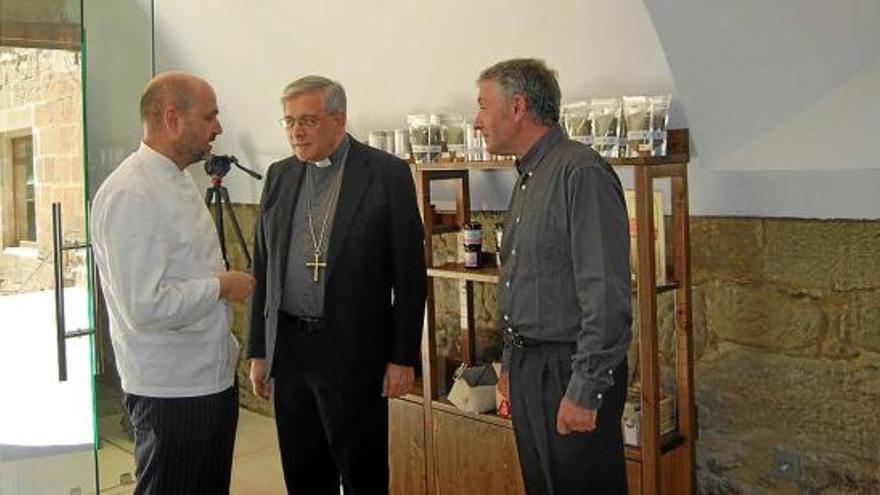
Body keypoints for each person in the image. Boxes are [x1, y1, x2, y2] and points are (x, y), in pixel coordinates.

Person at [246, 75, 426, 494]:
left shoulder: (386, 174)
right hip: (290, 349)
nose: (296, 131)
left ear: (339, 119)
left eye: (307, 120)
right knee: (303, 471)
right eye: (288, 121)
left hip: (354, 351)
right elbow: (264, 269)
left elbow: (410, 276)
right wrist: (259, 350)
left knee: (361, 471)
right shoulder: (278, 175)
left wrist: (402, 358)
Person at [90, 71, 255, 494]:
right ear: (172, 118)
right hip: (171, 391)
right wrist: (221, 287)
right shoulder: (131, 192)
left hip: (209, 379)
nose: (218, 128)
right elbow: (144, 306)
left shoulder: (178, 179)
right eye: (210, 116)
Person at [476, 59, 633, 494]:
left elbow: (605, 293)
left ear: (519, 106)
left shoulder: (580, 173)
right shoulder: (529, 177)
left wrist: (585, 388)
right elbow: (523, 280)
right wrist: (510, 363)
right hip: (531, 369)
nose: (476, 121)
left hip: (569, 369)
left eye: (483, 106)